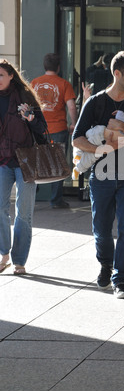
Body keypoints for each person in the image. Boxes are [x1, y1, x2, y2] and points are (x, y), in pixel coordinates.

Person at [72, 51, 124, 299]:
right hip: (102, 174)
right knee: (102, 230)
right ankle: (106, 264)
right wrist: (101, 148)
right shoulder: (95, 102)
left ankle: (121, 279)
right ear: (117, 74)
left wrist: (120, 128)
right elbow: (77, 139)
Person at [0, 59, 47, 275]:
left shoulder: (26, 97)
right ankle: (4, 254)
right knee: (0, 209)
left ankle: (19, 260)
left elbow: (42, 127)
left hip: (26, 160)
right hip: (2, 160)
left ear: (11, 76)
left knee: (24, 212)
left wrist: (29, 117)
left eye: (1, 75)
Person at [31, 53, 78, 208]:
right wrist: (74, 124)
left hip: (38, 129)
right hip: (58, 129)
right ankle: (56, 200)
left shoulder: (34, 83)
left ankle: (31, 194)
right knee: (57, 164)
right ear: (58, 67)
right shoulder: (64, 84)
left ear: (45, 66)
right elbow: (71, 106)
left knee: (36, 163)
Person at [72, 110, 124, 179]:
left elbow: (120, 117)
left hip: (99, 132)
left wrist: (120, 113)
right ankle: (79, 169)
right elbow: (123, 142)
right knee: (91, 156)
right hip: (101, 138)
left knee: (85, 145)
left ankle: (78, 156)